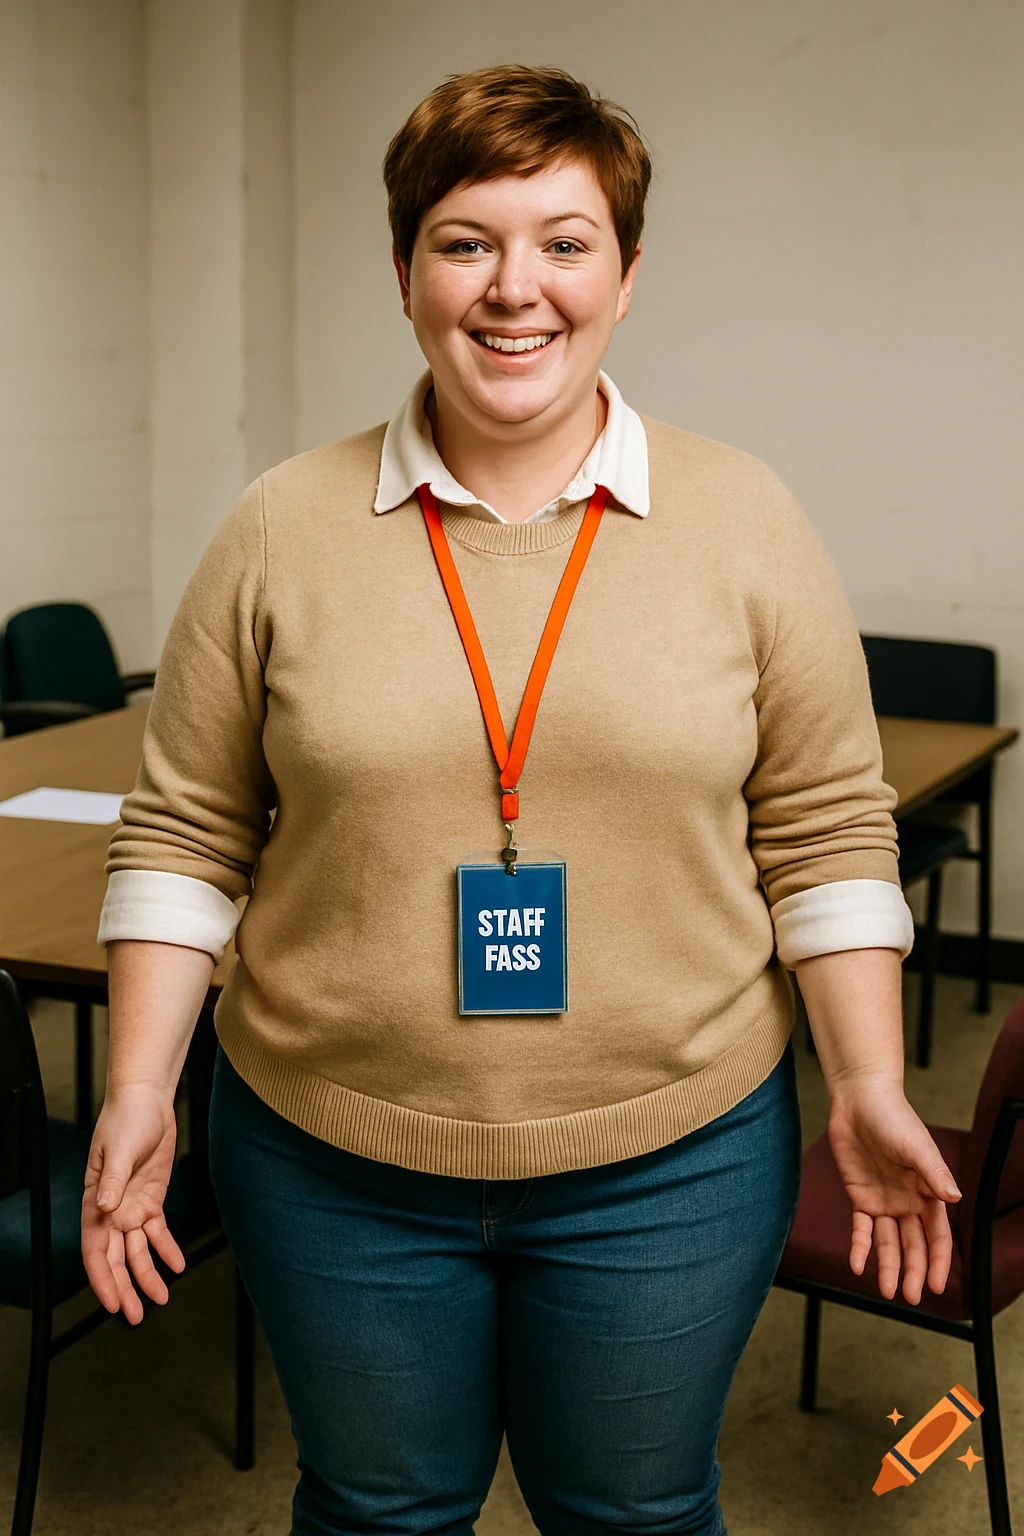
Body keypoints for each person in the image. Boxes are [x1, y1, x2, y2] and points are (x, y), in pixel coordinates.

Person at [82, 64, 962, 1536]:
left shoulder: (745, 518)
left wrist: (866, 1079)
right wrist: (134, 1084)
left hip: (672, 1158)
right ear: (405, 272)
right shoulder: (278, 528)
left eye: (564, 241)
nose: (515, 289)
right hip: (326, 1157)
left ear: (626, 276)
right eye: (465, 240)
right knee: (376, 1510)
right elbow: (185, 832)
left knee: (633, 1513)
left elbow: (825, 827)